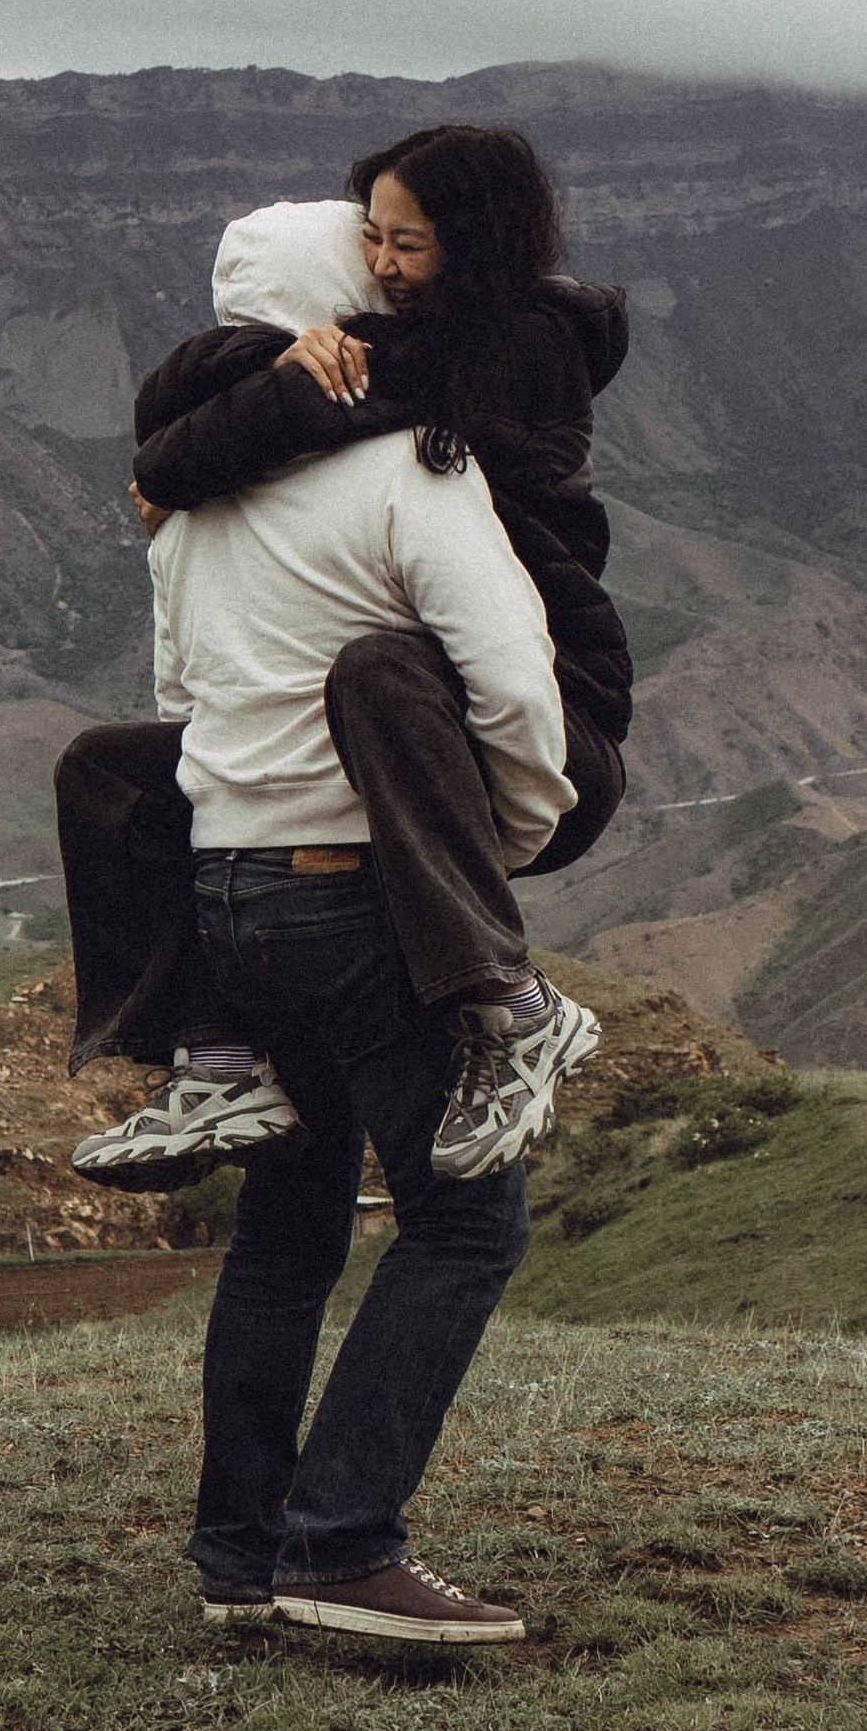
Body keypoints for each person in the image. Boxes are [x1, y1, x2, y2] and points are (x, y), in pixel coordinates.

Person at [59, 127, 629, 1184]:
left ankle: (515, 1004)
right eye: (368, 238)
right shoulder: (378, 360)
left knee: (374, 668)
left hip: (551, 724)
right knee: (112, 768)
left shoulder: (509, 351)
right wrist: (267, 364)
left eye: (406, 244)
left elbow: (170, 451)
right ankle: (215, 1062)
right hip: (420, 739)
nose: (380, 266)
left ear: (476, 245)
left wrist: (269, 368)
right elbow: (185, 434)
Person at [153, 298, 574, 1641]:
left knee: (290, 1227)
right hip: (351, 893)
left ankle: (238, 1557)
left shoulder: (189, 504)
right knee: (466, 1217)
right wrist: (491, 842)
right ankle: (339, 1546)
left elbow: (178, 693)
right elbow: (510, 680)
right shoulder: (409, 469)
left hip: (224, 898)